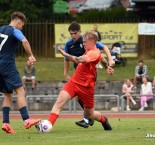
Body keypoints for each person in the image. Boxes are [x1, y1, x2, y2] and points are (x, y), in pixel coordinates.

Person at [48, 31, 112, 132]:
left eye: (85, 42)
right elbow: (103, 60)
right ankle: (48, 125)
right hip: (73, 83)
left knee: (91, 115)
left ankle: (104, 120)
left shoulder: (94, 53)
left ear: (93, 41)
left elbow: (78, 60)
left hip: (86, 88)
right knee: (59, 103)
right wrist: (107, 67)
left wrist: (66, 55)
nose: (83, 44)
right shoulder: (90, 50)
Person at [63, 21, 114, 128]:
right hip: (78, 74)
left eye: (75, 33)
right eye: (71, 33)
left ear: (79, 32)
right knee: (78, 98)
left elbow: (104, 48)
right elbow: (66, 59)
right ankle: (90, 118)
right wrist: (66, 73)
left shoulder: (87, 40)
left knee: (83, 97)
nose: (73, 36)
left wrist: (110, 60)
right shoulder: (68, 44)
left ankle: (87, 119)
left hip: (89, 74)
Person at [0, 12, 40, 134]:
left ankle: (6, 123)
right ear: (18, 21)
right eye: (22, 25)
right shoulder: (14, 30)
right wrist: (31, 55)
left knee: (7, 94)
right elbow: (24, 41)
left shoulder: (1, 28)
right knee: (20, 90)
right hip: (7, 64)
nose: (21, 27)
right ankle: (26, 120)